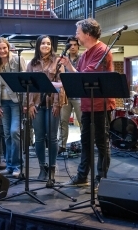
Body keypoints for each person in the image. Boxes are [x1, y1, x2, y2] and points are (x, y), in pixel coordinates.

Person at [60, 18, 115, 188]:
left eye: (78, 32)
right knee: (86, 142)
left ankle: (102, 179)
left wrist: (70, 69)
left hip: (100, 104)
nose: (76, 35)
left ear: (88, 34)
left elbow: (88, 77)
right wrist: (69, 68)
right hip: (87, 104)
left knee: (101, 142)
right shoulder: (85, 54)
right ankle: (83, 176)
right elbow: (81, 77)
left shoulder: (102, 51)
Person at [26, 35, 64, 181]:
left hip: (52, 104)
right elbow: (27, 86)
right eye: (43, 43)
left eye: (48, 43)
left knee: (52, 137)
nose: (46, 46)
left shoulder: (58, 62)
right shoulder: (32, 64)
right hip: (36, 104)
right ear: (38, 45)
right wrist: (29, 105)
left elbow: (61, 84)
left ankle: (52, 168)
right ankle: (42, 167)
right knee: (39, 137)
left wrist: (56, 104)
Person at [0, 37, 26, 177]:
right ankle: (10, 165)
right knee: (6, 135)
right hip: (3, 103)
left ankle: (17, 165)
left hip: (16, 101)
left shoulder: (18, 60)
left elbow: (25, 82)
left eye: (4, 48)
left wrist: (25, 103)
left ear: (8, 47)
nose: (2, 51)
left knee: (14, 132)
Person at [57, 36, 82, 154]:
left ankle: (84, 144)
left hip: (79, 94)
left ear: (78, 46)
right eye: (70, 45)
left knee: (82, 120)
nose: (72, 47)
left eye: (74, 45)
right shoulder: (63, 58)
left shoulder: (82, 58)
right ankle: (62, 145)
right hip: (65, 94)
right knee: (63, 120)